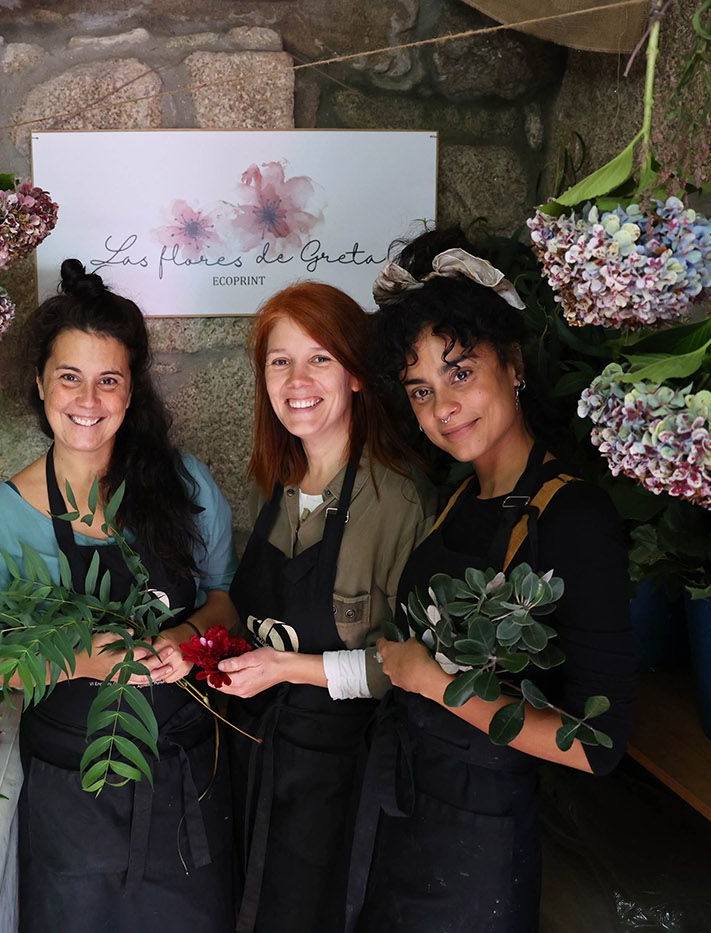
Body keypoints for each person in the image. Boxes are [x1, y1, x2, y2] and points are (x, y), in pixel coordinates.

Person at [347, 228, 637, 932]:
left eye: (459, 372)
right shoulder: (459, 494)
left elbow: (595, 744)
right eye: (420, 389)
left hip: (481, 835)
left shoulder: (575, 516)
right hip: (406, 800)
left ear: (511, 363)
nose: (442, 406)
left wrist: (431, 679)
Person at [0, 259, 238, 933]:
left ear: (132, 391)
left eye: (110, 379)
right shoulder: (2, 520)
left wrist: (185, 641)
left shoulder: (187, 486)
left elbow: (223, 598)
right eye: (70, 376)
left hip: (188, 781)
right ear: (40, 383)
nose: (89, 398)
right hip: (72, 799)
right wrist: (78, 658)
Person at [212, 281, 434, 933]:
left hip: (339, 778)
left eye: (320, 358)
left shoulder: (395, 501)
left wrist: (286, 668)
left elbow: (410, 670)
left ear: (358, 375)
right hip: (255, 756)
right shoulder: (278, 484)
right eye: (280, 361)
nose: (297, 379)